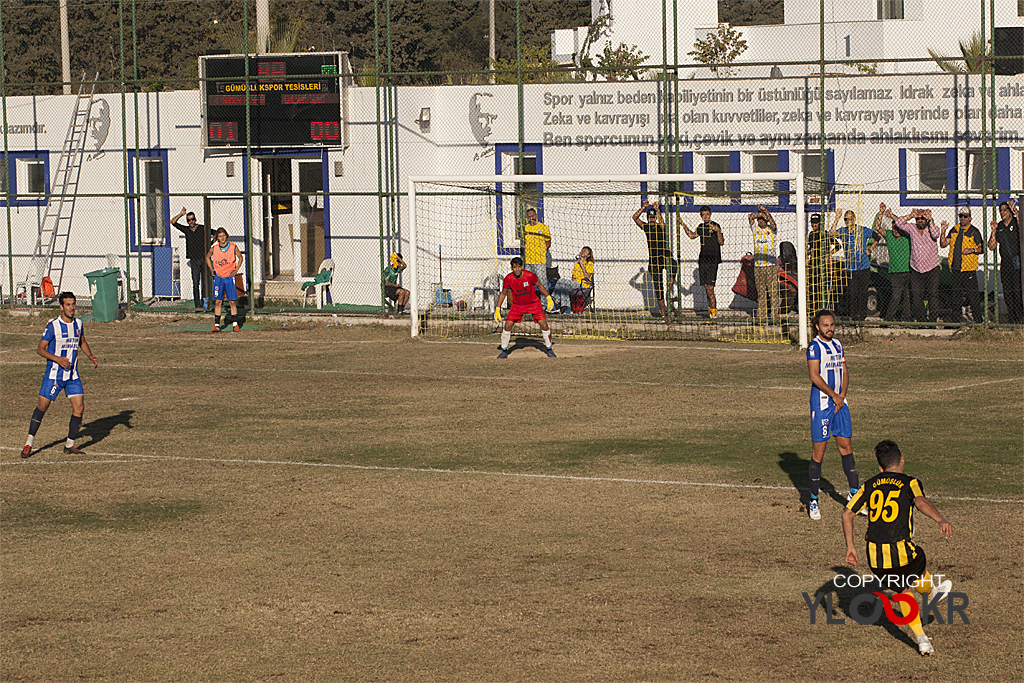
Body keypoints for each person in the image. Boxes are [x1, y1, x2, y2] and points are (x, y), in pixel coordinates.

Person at [843, 439, 954, 656]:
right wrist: (940, 519)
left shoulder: (869, 484)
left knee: (903, 589)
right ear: (902, 460)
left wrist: (850, 547)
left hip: (874, 557)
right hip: (902, 552)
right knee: (916, 561)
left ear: (880, 468)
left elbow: (847, 513)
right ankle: (931, 592)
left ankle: (922, 640)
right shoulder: (909, 482)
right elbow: (920, 502)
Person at [21, 292, 99, 458]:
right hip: (54, 375)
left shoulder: (78, 323)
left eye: (73, 304)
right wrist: (57, 359)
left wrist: (90, 355)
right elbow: (40, 349)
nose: (72, 308)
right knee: (42, 406)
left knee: (79, 407)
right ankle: (29, 443)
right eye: (68, 305)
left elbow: (82, 342)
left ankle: (69, 444)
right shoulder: (53, 326)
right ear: (61, 307)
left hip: (72, 376)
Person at [805, 309, 865, 521]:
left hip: (840, 403)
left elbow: (844, 371)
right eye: (826, 325)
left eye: (832, 325)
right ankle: (813, 500)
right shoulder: (814, 347)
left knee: (846, 448)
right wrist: (833, 396)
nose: (830, 328)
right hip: (822, 405)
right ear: (817, 327)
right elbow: (814, 376)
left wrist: (842, 396)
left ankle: (854, 497)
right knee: (819, 454)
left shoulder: (838, 345)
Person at [494, 256, 556, 358]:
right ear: (511, 268)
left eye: (519, 267)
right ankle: (504, 351)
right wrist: (497, 309)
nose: (517, 269)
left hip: (533, 304)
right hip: (518, 305)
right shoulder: (508, 279)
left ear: (522, 266)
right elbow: (503, 293)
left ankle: (549, 349)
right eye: (515, 267)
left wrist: (548, 298)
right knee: (507, 325)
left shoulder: (530, 275)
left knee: (544, 324)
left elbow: (539, 285)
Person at [888, 208, 940, 322]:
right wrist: (910, 215)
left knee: (933, 295)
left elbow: (936, 235)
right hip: (916, 269)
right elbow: (899, 223)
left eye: (922, 218)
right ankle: (921, 321)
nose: (920, 220)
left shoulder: (931, 228)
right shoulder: (912, 228)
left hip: (932, 267)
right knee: (917, 297)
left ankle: (932, 321)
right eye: (918, 218)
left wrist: (930, 220)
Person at [632, 200, 678, 318]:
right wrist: (644, 207)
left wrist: (658, 210)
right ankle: (663, 314)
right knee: (658, 288)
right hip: (654, 260)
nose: (652, 220)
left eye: (653, 218)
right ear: (647, 219)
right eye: (650, 218)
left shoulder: (660, 226)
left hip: (664, 256)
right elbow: (635, 217)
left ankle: (670, 289)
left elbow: (663, 225)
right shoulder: (646, 227)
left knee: (674, 265)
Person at [940, 207, 985, 323]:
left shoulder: (974, 231)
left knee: (973, 296)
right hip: (956, 269)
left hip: (968, 269)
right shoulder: (954, 230)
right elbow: (943, 244)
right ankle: (955, 321)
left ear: (970, 218)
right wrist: (943, 231)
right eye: (961, 216)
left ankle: (978, 321)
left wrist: (972, 250)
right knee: (956, 297)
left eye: (965, 216)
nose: (963, 218)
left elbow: (981, 248)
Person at [832, 209, 879, 321]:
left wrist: (870, 249)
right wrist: (837, 218)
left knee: (863, 293)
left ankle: (862, 316)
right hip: (850, 268)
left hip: (863, 267)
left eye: (850, 219)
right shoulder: (843, 231)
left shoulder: (862, 230)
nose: (848, 221)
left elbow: (877, 236)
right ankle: (853, 315)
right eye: (846, 219)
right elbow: (831, 233)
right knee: (852, 293)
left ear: (854, 219)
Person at [679, 205, 724, 319]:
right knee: (706, 288)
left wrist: (717, 231)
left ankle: (714, 316)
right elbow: (692, 235)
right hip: (703, 260)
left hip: (713, 260)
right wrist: (682, 223)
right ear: (700, 216)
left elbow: (721, 242)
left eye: (707, 214)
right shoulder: (701, 227)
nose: (705, 217)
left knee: (710, 289)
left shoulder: (716, 226)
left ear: (710, 214)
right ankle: (711, 314)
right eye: (703, 215)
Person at [170, 207, 214, 310]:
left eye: (192, 219)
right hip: (194, 260)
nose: (191, 221)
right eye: (189, 220)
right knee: (195, 283)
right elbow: (172, 222)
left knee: (205, 283)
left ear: (195, 219)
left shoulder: (202, 228)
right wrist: (181, 214)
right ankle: (197, 305)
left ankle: (205, 303)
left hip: (204, 259)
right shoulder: (187, 230)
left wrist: (210, 246)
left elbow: (215, 233)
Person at [874, 203, 911, 322]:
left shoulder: (906, 236)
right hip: (896, 272)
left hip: (908, 270)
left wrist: (892, 216)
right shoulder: (889, 235)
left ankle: (907, 318)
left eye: (897, 228)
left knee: (908, 296)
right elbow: (877, 228)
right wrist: (881, 213)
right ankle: (889, 318)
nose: (895, 230)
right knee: (896, 296)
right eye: (893, 227)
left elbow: (904, 224)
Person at [989, 199, 1023, 324]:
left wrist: (1015, 209)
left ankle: (1020, 318)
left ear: (1009, 212)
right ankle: (1012, 318)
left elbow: (1022, 222)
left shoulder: (1016, 222)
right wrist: (993, 231)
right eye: (1001, 210)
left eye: (1005, 210)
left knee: (1018, 291)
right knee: (1008, 293)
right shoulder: (1000, 227)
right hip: (1006, 264)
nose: (1002, 213)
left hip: (1018, 263)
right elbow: (991, 246)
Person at [206, 227, 243, 333]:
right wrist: (211, 269)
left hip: (229, 277)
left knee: (232, 301)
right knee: (218, 301)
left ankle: (235, 324)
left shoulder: (233, 247)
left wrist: (235, 271)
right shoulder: (214, 248)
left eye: (223, 236)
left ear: (226, 236)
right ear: (217, 238)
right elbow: (208, 257)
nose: (222, 238)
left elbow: (240, 257)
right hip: (219, 277)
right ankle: (216, 325)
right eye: (220, 236)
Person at [748, 205, 778, 322]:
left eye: (762, 219)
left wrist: (766, 212)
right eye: (759, 219)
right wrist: (760, 214)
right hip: (758, 266)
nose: (760, 221)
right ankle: (762, 316)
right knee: (761, 293)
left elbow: (774, 224)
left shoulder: (771, 230)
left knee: (773, 293)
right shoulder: (756, 230)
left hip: (770, 266)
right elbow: (750, 217)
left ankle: (775, 316)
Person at [807, 213, 841, 313]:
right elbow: (811, 247)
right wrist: (806, 255)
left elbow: (838, 246)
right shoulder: (811, 235)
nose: (814, 225)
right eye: (813, 223)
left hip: (823, 266)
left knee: (822, 288)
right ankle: (814, 310)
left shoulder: (825, 234)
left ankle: (823, 309)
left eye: (816, 223)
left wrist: (828, 254)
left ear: (820, 223)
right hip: (813, 265)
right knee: (813, 289)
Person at [552, 246, 595, 313]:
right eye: (582, 250)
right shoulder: (576, 265)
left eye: (585, 251)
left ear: (588, 255)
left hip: (583, 286)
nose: (583, 251)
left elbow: (587, 277)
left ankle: (555, 300)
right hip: (575, 284)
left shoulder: (590, 264)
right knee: (563, 286)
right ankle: (566, 309)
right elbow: (573, 278)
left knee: (561, 280)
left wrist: (582, 264)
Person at [521, 207, 551, 284]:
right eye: (529, 216)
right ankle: (529, 296)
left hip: (540, 261)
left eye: (532, 215)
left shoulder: (543, 227)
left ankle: (545, 296)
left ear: (536, 215)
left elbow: (548, 243)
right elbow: (524, 242)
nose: (531, 218)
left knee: (542, 283)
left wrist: (541, 252)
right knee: (527, 283)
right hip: (528, 261)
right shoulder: (526, 228)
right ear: (527, 218)